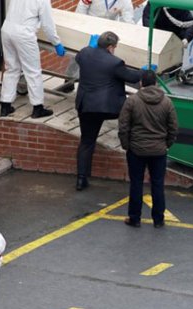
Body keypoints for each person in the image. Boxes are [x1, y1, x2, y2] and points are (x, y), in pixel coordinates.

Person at [74, 31, 142, 191]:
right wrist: (145, 72)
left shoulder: (84, 53)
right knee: (130, 121)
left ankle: (81, 178)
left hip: (86, 106)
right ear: (111, 47)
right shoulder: (115, 63)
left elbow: (79, 59)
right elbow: (132, 77)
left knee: (86, 142)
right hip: (107, 108)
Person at [118, 69, 178, 229]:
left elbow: (123, 125)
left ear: (141, 83)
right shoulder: (166, 102)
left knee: (136, 184)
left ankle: (134, 218)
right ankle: (158, 219)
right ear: (156, 83)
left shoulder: (132, 101)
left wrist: (126, 145)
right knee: (158, 184)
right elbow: (173, 128)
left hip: (136, 150)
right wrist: (167, 144)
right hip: (159, 151)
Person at [0, 0, 66, 118]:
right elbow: (47, 25)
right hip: (24, 34)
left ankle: (5, 105)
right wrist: (56, 43)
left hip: (7, 29)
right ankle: (38, 108)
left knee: (11, 68)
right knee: (33, 71)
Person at [61, 0, 135, 93]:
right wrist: (80, 28)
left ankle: (100, 86)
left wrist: (131, 37)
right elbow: (80, 13)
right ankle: (69, 80)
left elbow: (128, 21)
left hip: (107, 33)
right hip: (88, 28)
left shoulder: (125, 1)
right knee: (77, 56)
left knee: (105, 61)